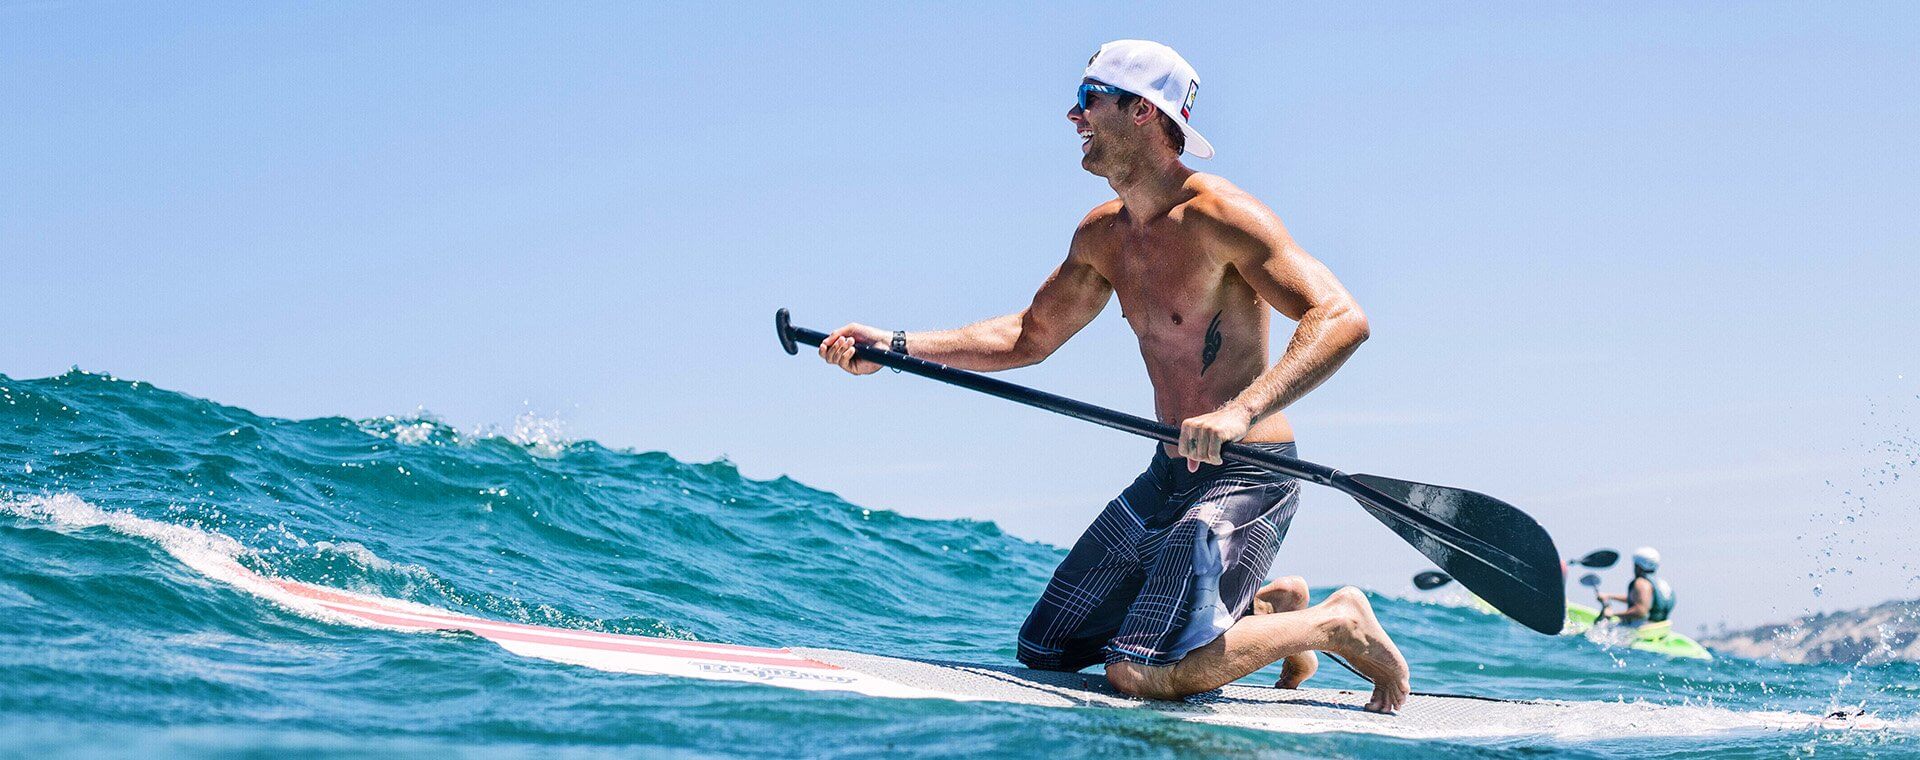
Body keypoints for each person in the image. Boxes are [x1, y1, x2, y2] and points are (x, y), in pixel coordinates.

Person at [814, 40, 1409, 712]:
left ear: (1142, 113)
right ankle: (1264, 606)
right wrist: (894, 345)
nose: (1074, 116)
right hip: (1168, 475)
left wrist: (1238, 412)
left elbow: (1340, 316)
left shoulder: (1221, 217)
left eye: (1088, 99)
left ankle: (1335, 623)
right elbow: (1027, 336)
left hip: (1250, 472)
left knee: (1138, 673)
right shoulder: (1102, 236)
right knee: (1049, 651)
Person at [1597, 547, 1675, 625]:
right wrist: (1609, 596)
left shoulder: (1641, 583)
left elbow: (1640, 611)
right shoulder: (1662, 584)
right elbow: (1641, 600)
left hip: (1641, 629)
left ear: (1638, 566)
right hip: (1659, 628)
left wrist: (1612, 614)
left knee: (1598, 628)